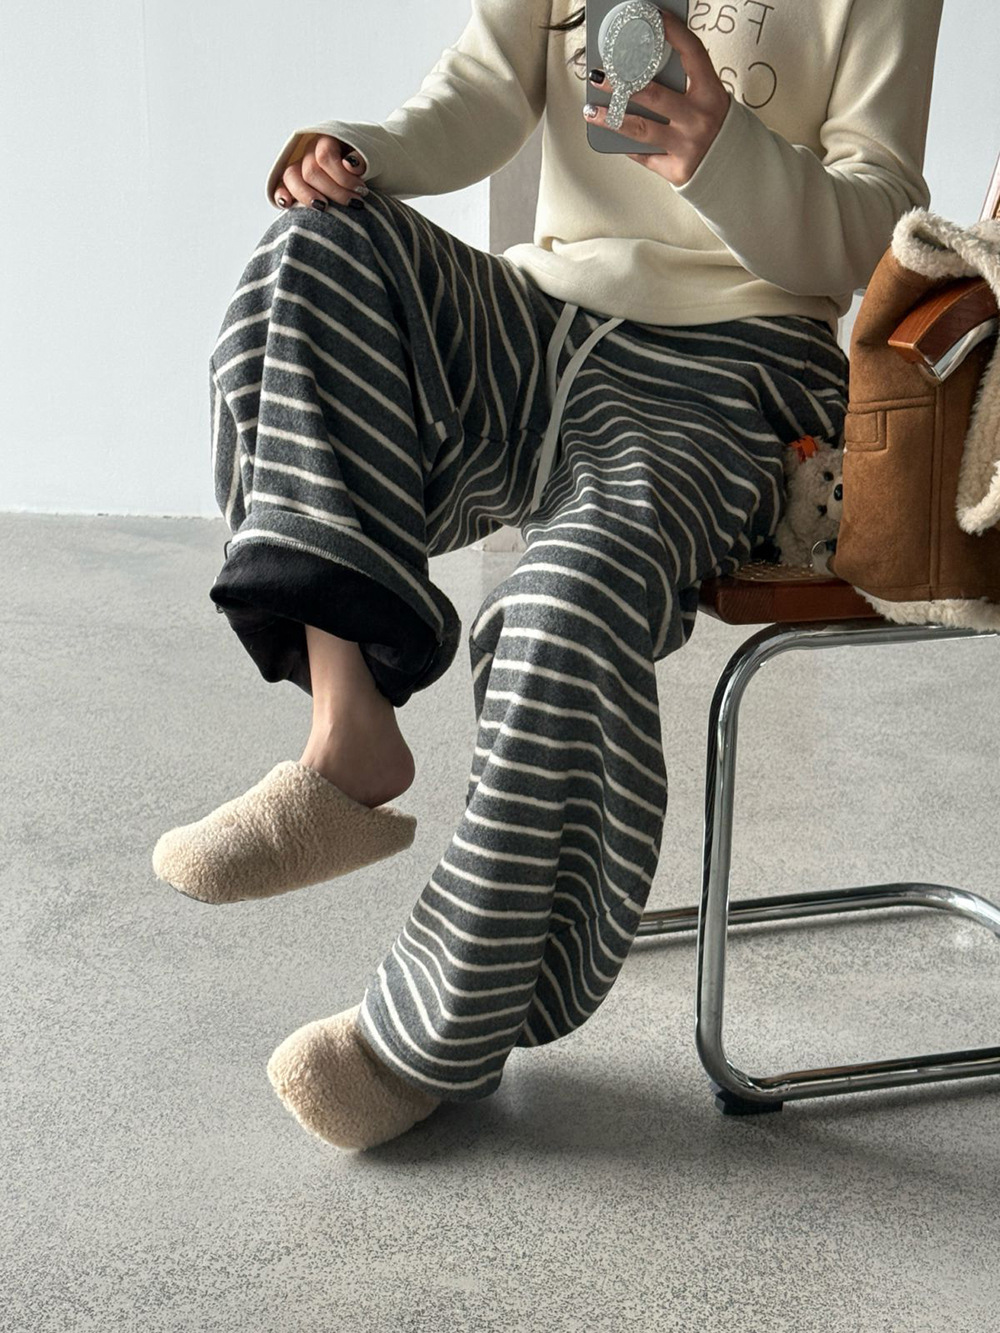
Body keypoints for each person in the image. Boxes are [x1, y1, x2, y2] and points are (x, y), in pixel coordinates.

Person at [153, 0, 944, 1150]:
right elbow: (479, 91)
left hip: (740, 360)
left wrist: (717, 149)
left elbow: (877, 225)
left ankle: (428, 1035)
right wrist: (357, 155)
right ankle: (346, 729)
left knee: (561, 608)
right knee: (312, 252)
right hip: (537, 317)